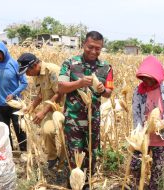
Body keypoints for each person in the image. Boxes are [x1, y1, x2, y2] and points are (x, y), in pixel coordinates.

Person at [58, 31, 114, 189]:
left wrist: (103, 90)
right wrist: (80, 83)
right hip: (73, 118)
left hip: (93, 119)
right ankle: (73, 183)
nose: (94, 51)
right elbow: (61, 87)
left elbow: (109, 93)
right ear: (84, 44)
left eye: (98, 48)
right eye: (90, 47)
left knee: (92, 152)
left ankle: (87, 183)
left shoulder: (106, 68)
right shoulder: (70, 63)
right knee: (74, 152)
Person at [131, 55, 164, 189]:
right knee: (135, 166)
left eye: (150, 77)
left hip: (162, 138)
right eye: (144, 77)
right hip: (142, 137)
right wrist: (140, 130)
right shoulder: (139, 91)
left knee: (158, 171)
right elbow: (135, 113)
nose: (147, 80)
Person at [17, 53, 65, 171]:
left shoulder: (52, 70)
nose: (27, 75)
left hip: (63, 109)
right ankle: (53, 158)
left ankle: (64, 161)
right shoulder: (36, 75)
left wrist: (43, 112)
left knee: (65, 136)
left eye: (27, 71)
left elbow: (59, 93)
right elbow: (40, 94)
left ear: (34, 65)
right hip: (50, 110)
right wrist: (31, 106)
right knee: (46, 131)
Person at [0, 39, 28, 151]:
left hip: (14, 104)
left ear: (4, 51)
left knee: (19, 128)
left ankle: (23, 151)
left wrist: (13, 94)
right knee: (3, 130)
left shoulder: (15, 64)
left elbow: (24, 82)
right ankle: (8, 151)